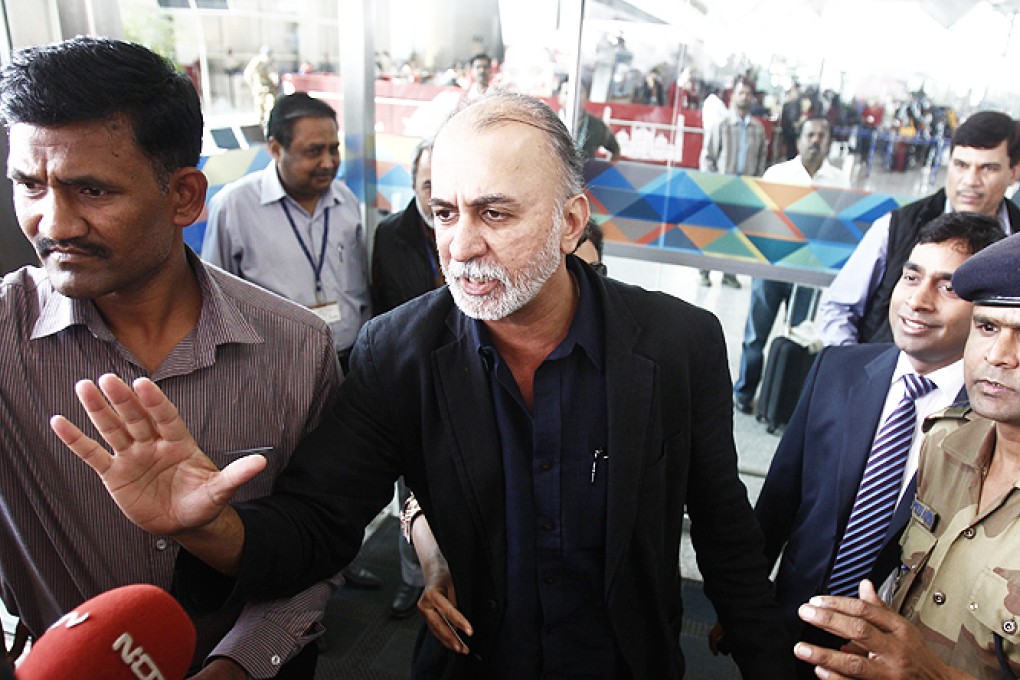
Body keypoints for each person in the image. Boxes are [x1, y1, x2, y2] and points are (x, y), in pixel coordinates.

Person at [54, 92, 794, 679]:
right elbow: (318, 526)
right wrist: (204, 524)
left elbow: (726, 535)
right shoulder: (397, 352)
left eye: (495, 213)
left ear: (572, 223)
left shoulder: (677, 342)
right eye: (444, 211)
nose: (461, 245)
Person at [0, 36, 340, 679]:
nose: (54, 223)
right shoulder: (3, 337)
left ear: (184, 196)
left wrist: (236, 667)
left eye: (92, 191)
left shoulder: (297, 348)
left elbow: (320, 544)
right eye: (28, 185)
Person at [753, 214, 1004, 677]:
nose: (918, 300)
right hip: (790, 630)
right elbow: (780, 499)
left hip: (899, 657)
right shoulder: (837, 368)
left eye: (947, 287)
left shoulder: (993, 421)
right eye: (912, 277)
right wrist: (744, 606)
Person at [202, 92, 372, 376]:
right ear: (276, 149)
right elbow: (214, 301)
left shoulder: (346, 201)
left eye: (334, 149)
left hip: (350, 361)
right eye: (314, 151)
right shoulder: (234, 207)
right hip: (276, 370)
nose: (329, 163)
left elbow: (361, 290)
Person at [817, 111, 1020, 347]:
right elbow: (839, 308)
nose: (970, 180)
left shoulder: (1016, 240)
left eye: (988, 168)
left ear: (1014, 172)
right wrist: (858, 374)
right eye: (961, 165)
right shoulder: (897, 226)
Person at [733, 116, 850, 414]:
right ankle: (744, 392)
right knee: (755, 334)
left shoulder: (840, 182)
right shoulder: (778, 173)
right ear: (799, 140)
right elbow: (760, 219)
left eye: (822, 135)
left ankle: (784, 399)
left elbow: (840, 228)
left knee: (801, 334)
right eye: (810, 134)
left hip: (810, 272)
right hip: (772, 266)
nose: (815, 140)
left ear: (829, 142)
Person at [370, 138, 440, 617]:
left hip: (471, 376)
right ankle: (412, 581)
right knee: (409, 490)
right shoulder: (391, 234)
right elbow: (389, 309)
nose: (437, 196)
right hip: (411, 379)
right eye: (427, 184)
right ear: (413, 184)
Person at [698, 76, 769, 289]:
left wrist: (756, 185)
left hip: (745, 190)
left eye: (748, 94)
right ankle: (704, 271)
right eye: (741, 93)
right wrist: (712, 184)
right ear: (733, 96)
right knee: (713, 232)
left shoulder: (758, 129)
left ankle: (730, 274)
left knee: (738, 236)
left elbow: (762, 159)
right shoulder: (721, 125)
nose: (745, 97)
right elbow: (707, 156)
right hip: (722, 188)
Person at [557, 80, 621, 162]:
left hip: (586, 174)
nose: (574, 96)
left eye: (579, 92)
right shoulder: (550, 123)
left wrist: (605, 172)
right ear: (559, 98)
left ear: (586, 96)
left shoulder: (597, 125)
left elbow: (615, 151)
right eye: (567, 93)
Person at [243, 45, 279, 127]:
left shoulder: (271, 62)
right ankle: (262, 128)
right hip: (259, 90)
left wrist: (275, 82)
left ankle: (269, 125)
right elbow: (248, 74)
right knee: (260, 111)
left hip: (269, 90)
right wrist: (252, 85)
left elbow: (274, 75)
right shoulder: (257, 61)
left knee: (270, 107)